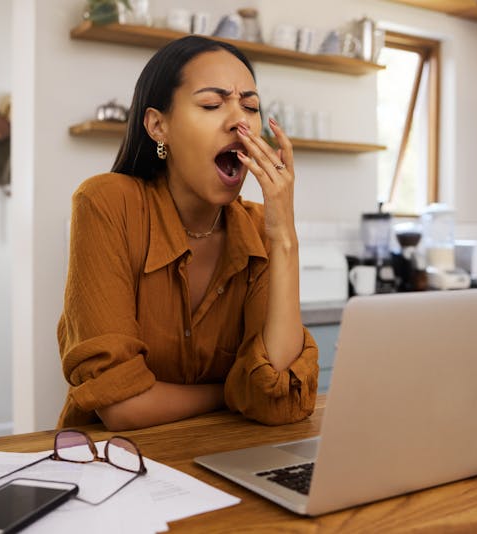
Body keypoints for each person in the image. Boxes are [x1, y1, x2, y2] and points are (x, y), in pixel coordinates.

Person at [57, 36, 319, 431]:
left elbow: (277, 399)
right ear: (158, 126)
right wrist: (233, 390)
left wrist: (284, 237)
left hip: (228, 463)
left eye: (250, 106)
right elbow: (121, 405)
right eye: (212, 104)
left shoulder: (260, 230)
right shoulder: (106, 203)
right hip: (115, 468)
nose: (240, 121)